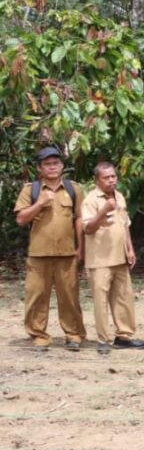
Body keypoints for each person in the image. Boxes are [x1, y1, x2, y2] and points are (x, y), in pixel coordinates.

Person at [13, 146, 86, 352]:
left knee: (69, 296)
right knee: (36, 296)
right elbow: (20, 218)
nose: (52, 167)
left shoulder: (73, 189)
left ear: (62, 166)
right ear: (40, 168)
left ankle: (73, 334)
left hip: (67, 253)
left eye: (56, 163)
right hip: (38, 254)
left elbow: (80, 218)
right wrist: (40, 203)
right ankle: (39, 335)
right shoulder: (31, 190)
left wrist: (81, 247)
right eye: (47, 164)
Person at [81, 162, 144, 355]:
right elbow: (87, 228)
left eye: (113, 177)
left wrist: (130, 249)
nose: (111, 180)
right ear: (97, 180)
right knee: (101, 301)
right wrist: (103, 212)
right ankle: (103, 340)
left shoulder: (119, 197)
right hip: (99, 260)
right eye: (106, 177)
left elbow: (125, 225)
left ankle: (123, 336)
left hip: (120, 257)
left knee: (124, 298)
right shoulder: (90, 200)